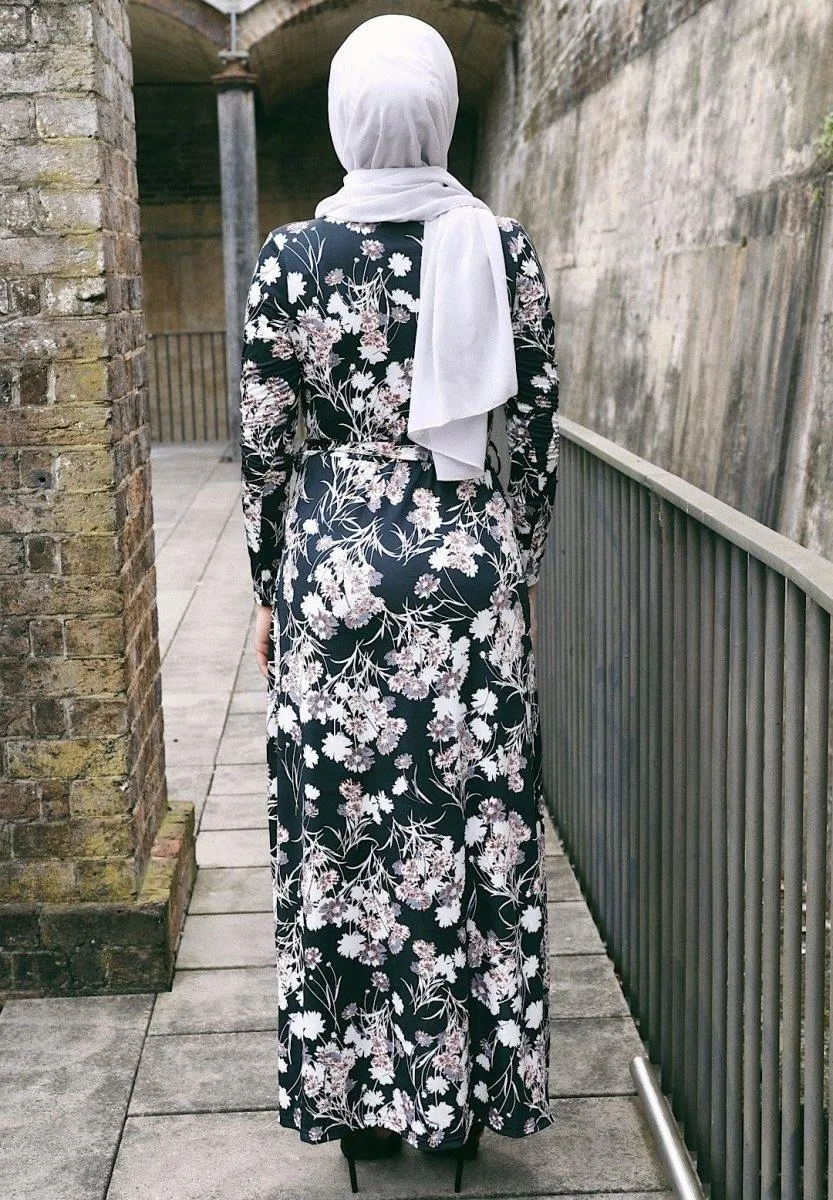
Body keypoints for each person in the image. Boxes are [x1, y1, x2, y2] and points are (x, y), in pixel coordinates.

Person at [239, 13, 560, 1194]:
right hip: (467, 592)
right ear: (434, 109)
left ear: (342, 114)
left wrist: (274, 589)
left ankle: (359, 1102)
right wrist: (511, 575)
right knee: (464, 838)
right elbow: (531, 445)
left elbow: (264, 454)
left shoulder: (290, 262)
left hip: (332, 587)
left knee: (348, 845)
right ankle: (460, 1095)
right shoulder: (498, 248)